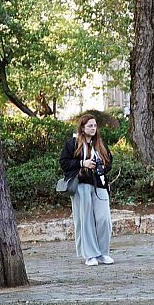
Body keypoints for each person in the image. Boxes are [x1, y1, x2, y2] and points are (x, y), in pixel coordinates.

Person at [60, 113, 113, 265]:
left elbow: (109, 161)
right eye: (90, 125)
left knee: (104, 219)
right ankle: (90, 255)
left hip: (100, 184)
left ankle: (103, 253)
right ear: (82, 128)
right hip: (81, 184)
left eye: (95, 125)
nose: (93, 128)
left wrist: (103, 167)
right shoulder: (73, 144)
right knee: (86, 220)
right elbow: (64, 163)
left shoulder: (100, 144)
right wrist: (83, 163)